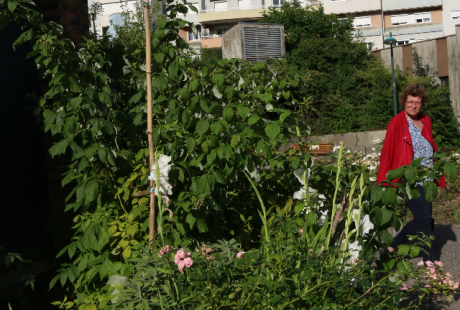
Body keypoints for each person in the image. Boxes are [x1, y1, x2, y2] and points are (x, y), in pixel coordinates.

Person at [376, 83, 446, 262]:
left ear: (422, 104)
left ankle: (394, 245)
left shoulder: (426, 121)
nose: (413, 105)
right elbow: (387, 154)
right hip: (409, 179)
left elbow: (430, 147)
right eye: (410, 102)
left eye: (417, 102)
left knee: (425, 220)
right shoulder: (397, 123)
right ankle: (428, 262)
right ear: (404, 102)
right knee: (423, 221)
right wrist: (383, 182)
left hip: (428, 178)